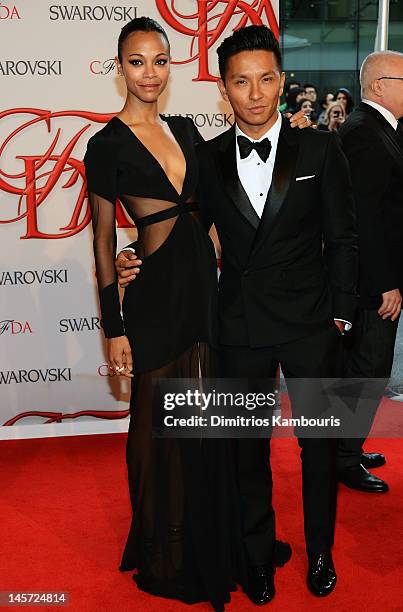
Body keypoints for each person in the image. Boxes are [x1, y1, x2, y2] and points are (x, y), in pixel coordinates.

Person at [117, 25, 358, 604]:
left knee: (319, 447)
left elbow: (344, 238)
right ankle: (255, 557)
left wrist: (342, 317)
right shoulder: (205, 159)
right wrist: (134, 257)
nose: (255, 93)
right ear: (223, 90)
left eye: (266, 79)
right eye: (240, 82)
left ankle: (321, 552)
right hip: (238, 328)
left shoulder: (323, 150)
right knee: (245, 450)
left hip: (310, 326)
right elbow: (179, 230)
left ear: (282, 81)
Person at [84, 17, 308, 612]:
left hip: (205, 298)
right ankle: (167, 552)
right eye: (137, 62)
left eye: (160, 61)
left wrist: (298, 137)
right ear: (120, 68)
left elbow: (214, 206)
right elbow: (104, 243)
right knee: (157, 431)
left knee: (208, 428)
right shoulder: (105, 146)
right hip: (156, 303)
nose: (150, 73)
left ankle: (219, 538)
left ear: (171, 66)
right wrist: (114, 326)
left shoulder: (186, 130)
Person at [337, 50, 403, 492]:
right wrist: (385, 284)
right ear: (379, 84)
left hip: (372, 279)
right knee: (366, 369)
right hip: (370, 284)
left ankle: (347, 448)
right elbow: (363, 218)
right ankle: (342, 458)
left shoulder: (381, 129)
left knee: (367, 368)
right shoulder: (363, 133)